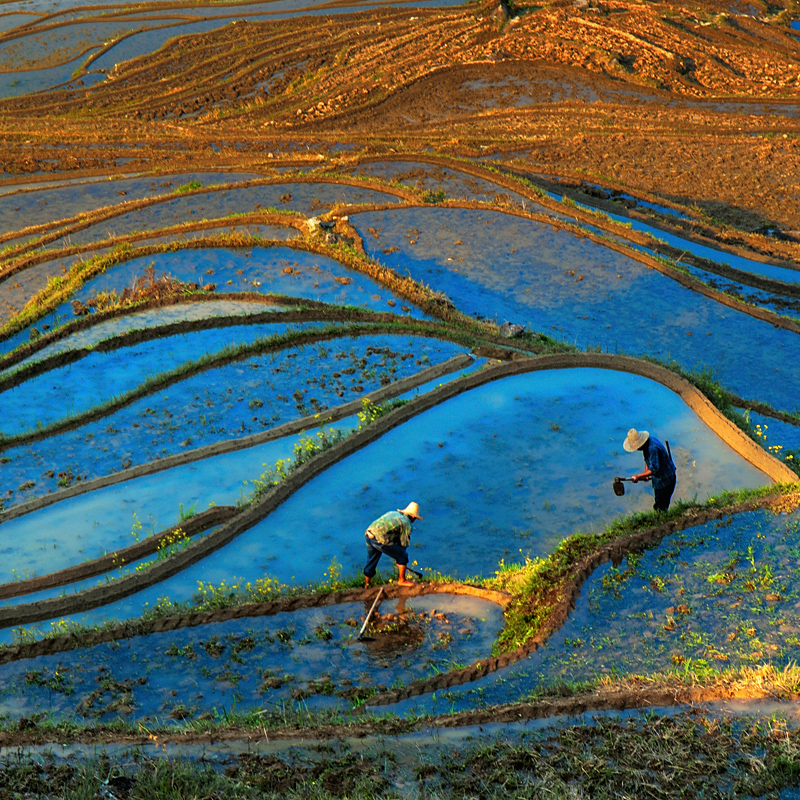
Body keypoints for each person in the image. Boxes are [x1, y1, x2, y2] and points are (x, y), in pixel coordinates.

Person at [363, 501, 422, 587]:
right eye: (415, 518)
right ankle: (402, 580)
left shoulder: (394, 513)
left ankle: (366, 585)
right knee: (403, 556)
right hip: (380, 539)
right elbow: (403, 543)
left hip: (369, 533)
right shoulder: (407, 523)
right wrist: (399, 559)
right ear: (413, 516)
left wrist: (397, 554)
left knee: (371, 560)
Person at [623, 428, 677, 511]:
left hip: (665, 480)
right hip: (661, 477)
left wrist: (638, 476)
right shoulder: (648, 442)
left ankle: (662, 521)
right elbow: (647, 459)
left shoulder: (652, 448)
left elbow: (654, 469)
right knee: (660, 503)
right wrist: (645, 474)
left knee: (660, 506)